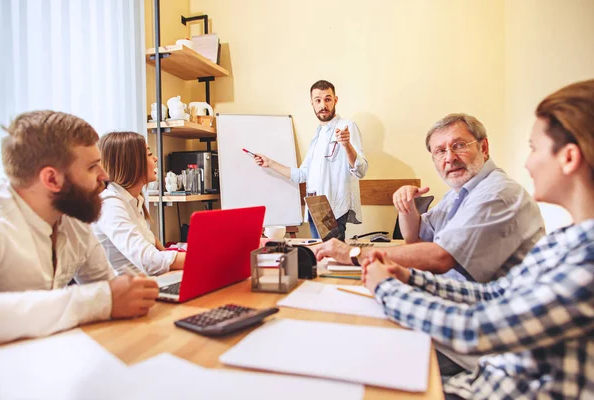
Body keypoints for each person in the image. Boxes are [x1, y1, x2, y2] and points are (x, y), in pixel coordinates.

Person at [363, 79, 594, 399]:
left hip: (491, 379)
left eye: (534, 148)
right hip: (486, 373)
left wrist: (385, 287)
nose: (527, 163)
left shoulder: (586, 259)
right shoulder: (569, 240)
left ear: (568, 158)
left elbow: (475, 328)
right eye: (440, 151)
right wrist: (407, 276)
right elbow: (497, 294)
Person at [315, 113, 544, 284]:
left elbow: (440, 257)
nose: (449, 158)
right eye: (440, 151)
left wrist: (353, 253)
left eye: (459, 145)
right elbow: (413, 237)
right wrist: (406, 206)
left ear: (484, 147)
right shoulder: (459, 193)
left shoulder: (496, 193)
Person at [0, 111, 159, 344]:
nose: (105, 176)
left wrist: (124, 296)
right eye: (93, 167)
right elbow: (105, 297)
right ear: (51, 179)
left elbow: (108, 289)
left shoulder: (73, 217)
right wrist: (99, 301)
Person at [253, 80, 368, 240]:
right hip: (314, 207)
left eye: (327, 99)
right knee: (322, 258)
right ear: (312, 103)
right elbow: (302, 174)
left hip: (332, 208)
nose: (323, 105)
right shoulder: (317, 134)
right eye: (318, 100)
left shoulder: (347, 126)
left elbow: (361, 170)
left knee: (330, 257)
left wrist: (347, 145)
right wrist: (270, 163)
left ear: (335, 100)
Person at [92, 131, 185, 275]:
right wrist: (203, 258)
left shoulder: (132, 201)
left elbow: (150, 246)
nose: (155, 158)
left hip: (142, 285)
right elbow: (150, 262)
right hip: (124, 292)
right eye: (149, 154)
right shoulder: (109, 204)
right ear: (130, 162)